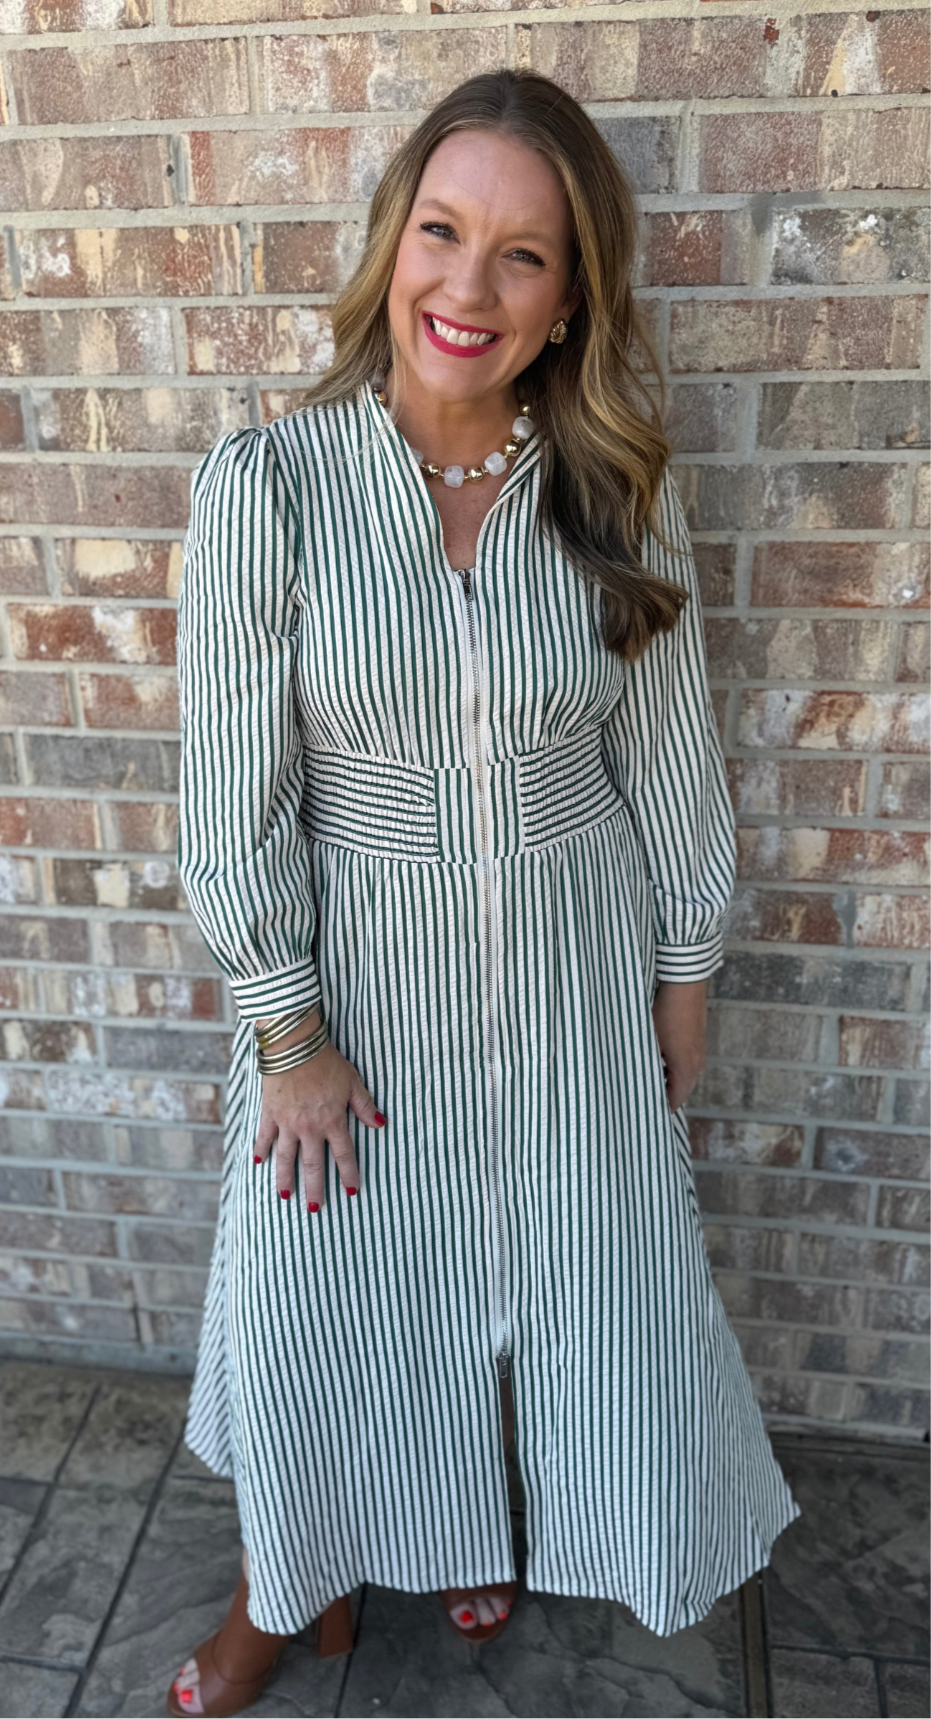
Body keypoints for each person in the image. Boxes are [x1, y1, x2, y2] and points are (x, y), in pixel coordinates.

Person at [168, 67, 800, 1716]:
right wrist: (285, 1028)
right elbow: (234, 799)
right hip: (353, 978)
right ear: (394, 241)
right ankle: (280, 1582)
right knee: (318, 1297)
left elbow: (667, 757)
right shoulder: (271, 489)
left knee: (540, 1274)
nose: (467, 288)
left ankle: (466, 1514)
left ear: (570, 290)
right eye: (442, 233)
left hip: (575, 957)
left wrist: (684, 973)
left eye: (521, 256)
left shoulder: (613, 490)